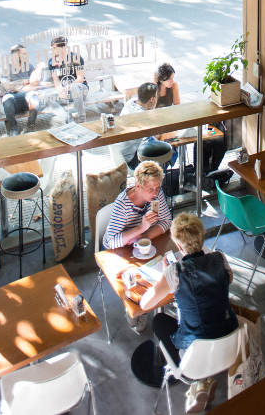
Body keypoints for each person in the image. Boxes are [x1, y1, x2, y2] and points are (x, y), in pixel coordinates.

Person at [138, 213, 238, 414]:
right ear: (201, 237)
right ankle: (202, 385)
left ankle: (198, 381)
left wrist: (167, 276)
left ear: (178, 245)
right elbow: (229, 279)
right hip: (230, 342)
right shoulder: (220, 258)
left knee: (159, 319)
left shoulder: (175, 272)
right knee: (205, 318)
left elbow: (144, 304)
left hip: (195, 355)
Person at [103, 161, 172, 333]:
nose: (155, 193)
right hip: (119, 250)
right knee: (137, 276)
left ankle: (154, 299)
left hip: (141, 243)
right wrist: (140, 228)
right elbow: (111, 241)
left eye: (157, 188)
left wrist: (144, 237)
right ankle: (137, 307)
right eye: (151, 189)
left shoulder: (156, 194)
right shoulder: (122, 204)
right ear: (138, 186)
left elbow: (166, 221)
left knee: (162, 268)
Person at [151, 62, 228, 186]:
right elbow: (151, 113)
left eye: (172, 78)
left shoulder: (174, 86)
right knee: (168, 144)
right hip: (158, 126)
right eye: (169, 78)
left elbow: (177, 107)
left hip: (171, 122)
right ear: (161, 79)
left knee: (184, 139)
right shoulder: (153, 90)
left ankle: (189, 174)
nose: (172, 81)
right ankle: (165, 175)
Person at [0, 44, 59, 135]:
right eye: (23, 54)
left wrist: (19, 86)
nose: (26, 56)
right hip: (13, 100)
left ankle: (31, 125)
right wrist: (26, 82)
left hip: (26, 99)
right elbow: (8, 87)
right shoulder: (6, 68)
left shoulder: (29, 66)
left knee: (34, 98)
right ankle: (13, 128)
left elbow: (34, 84)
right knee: (7, 100)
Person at [117, 82, 158, 169]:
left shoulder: (131, 102)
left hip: (118, 154)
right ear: (151, 99)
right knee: (166, 147)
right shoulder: (141, 115)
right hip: (129, 160)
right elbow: (156, 136)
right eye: (156, 96)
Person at [50, 36, 90, 123]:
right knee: (47, 98)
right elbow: (56, 81)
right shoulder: (52, 61)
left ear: (63, 48)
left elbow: (80, 79)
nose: (52, 50)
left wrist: (66, 88)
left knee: (74, 88)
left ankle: (82, 120)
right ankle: (69, 120)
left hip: (80, 89)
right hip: (65, 93)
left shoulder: (76, 58)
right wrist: (60, 91)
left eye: (54, 48)